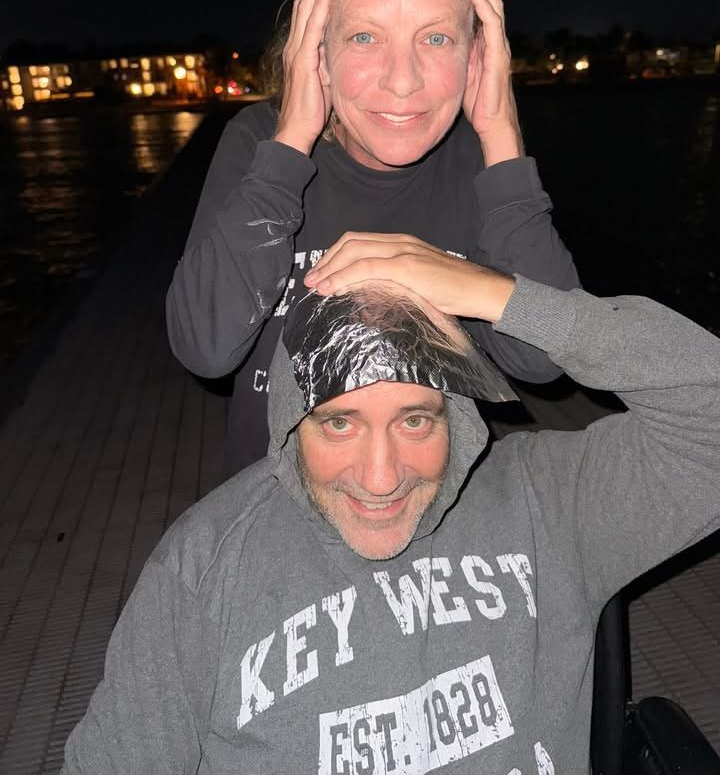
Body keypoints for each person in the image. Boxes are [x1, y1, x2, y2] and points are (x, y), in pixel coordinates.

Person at [63, 251, 720, 774]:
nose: (381, 479)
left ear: (457, 416)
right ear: (293, 423)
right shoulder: (202, 568)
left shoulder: (550, 502)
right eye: (339, 424)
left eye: (415, 420)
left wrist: (500, 297)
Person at [166, 0, 581, 473]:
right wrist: (289, 146)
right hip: (275, 513)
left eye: (436, 38)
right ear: (317, 47)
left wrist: (503, 133)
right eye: (364, 36)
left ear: (476, 52)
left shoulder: (478, 160)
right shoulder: (261, 143)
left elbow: (543, 362)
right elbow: (205, 348)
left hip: (438, 514)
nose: (404, 80)